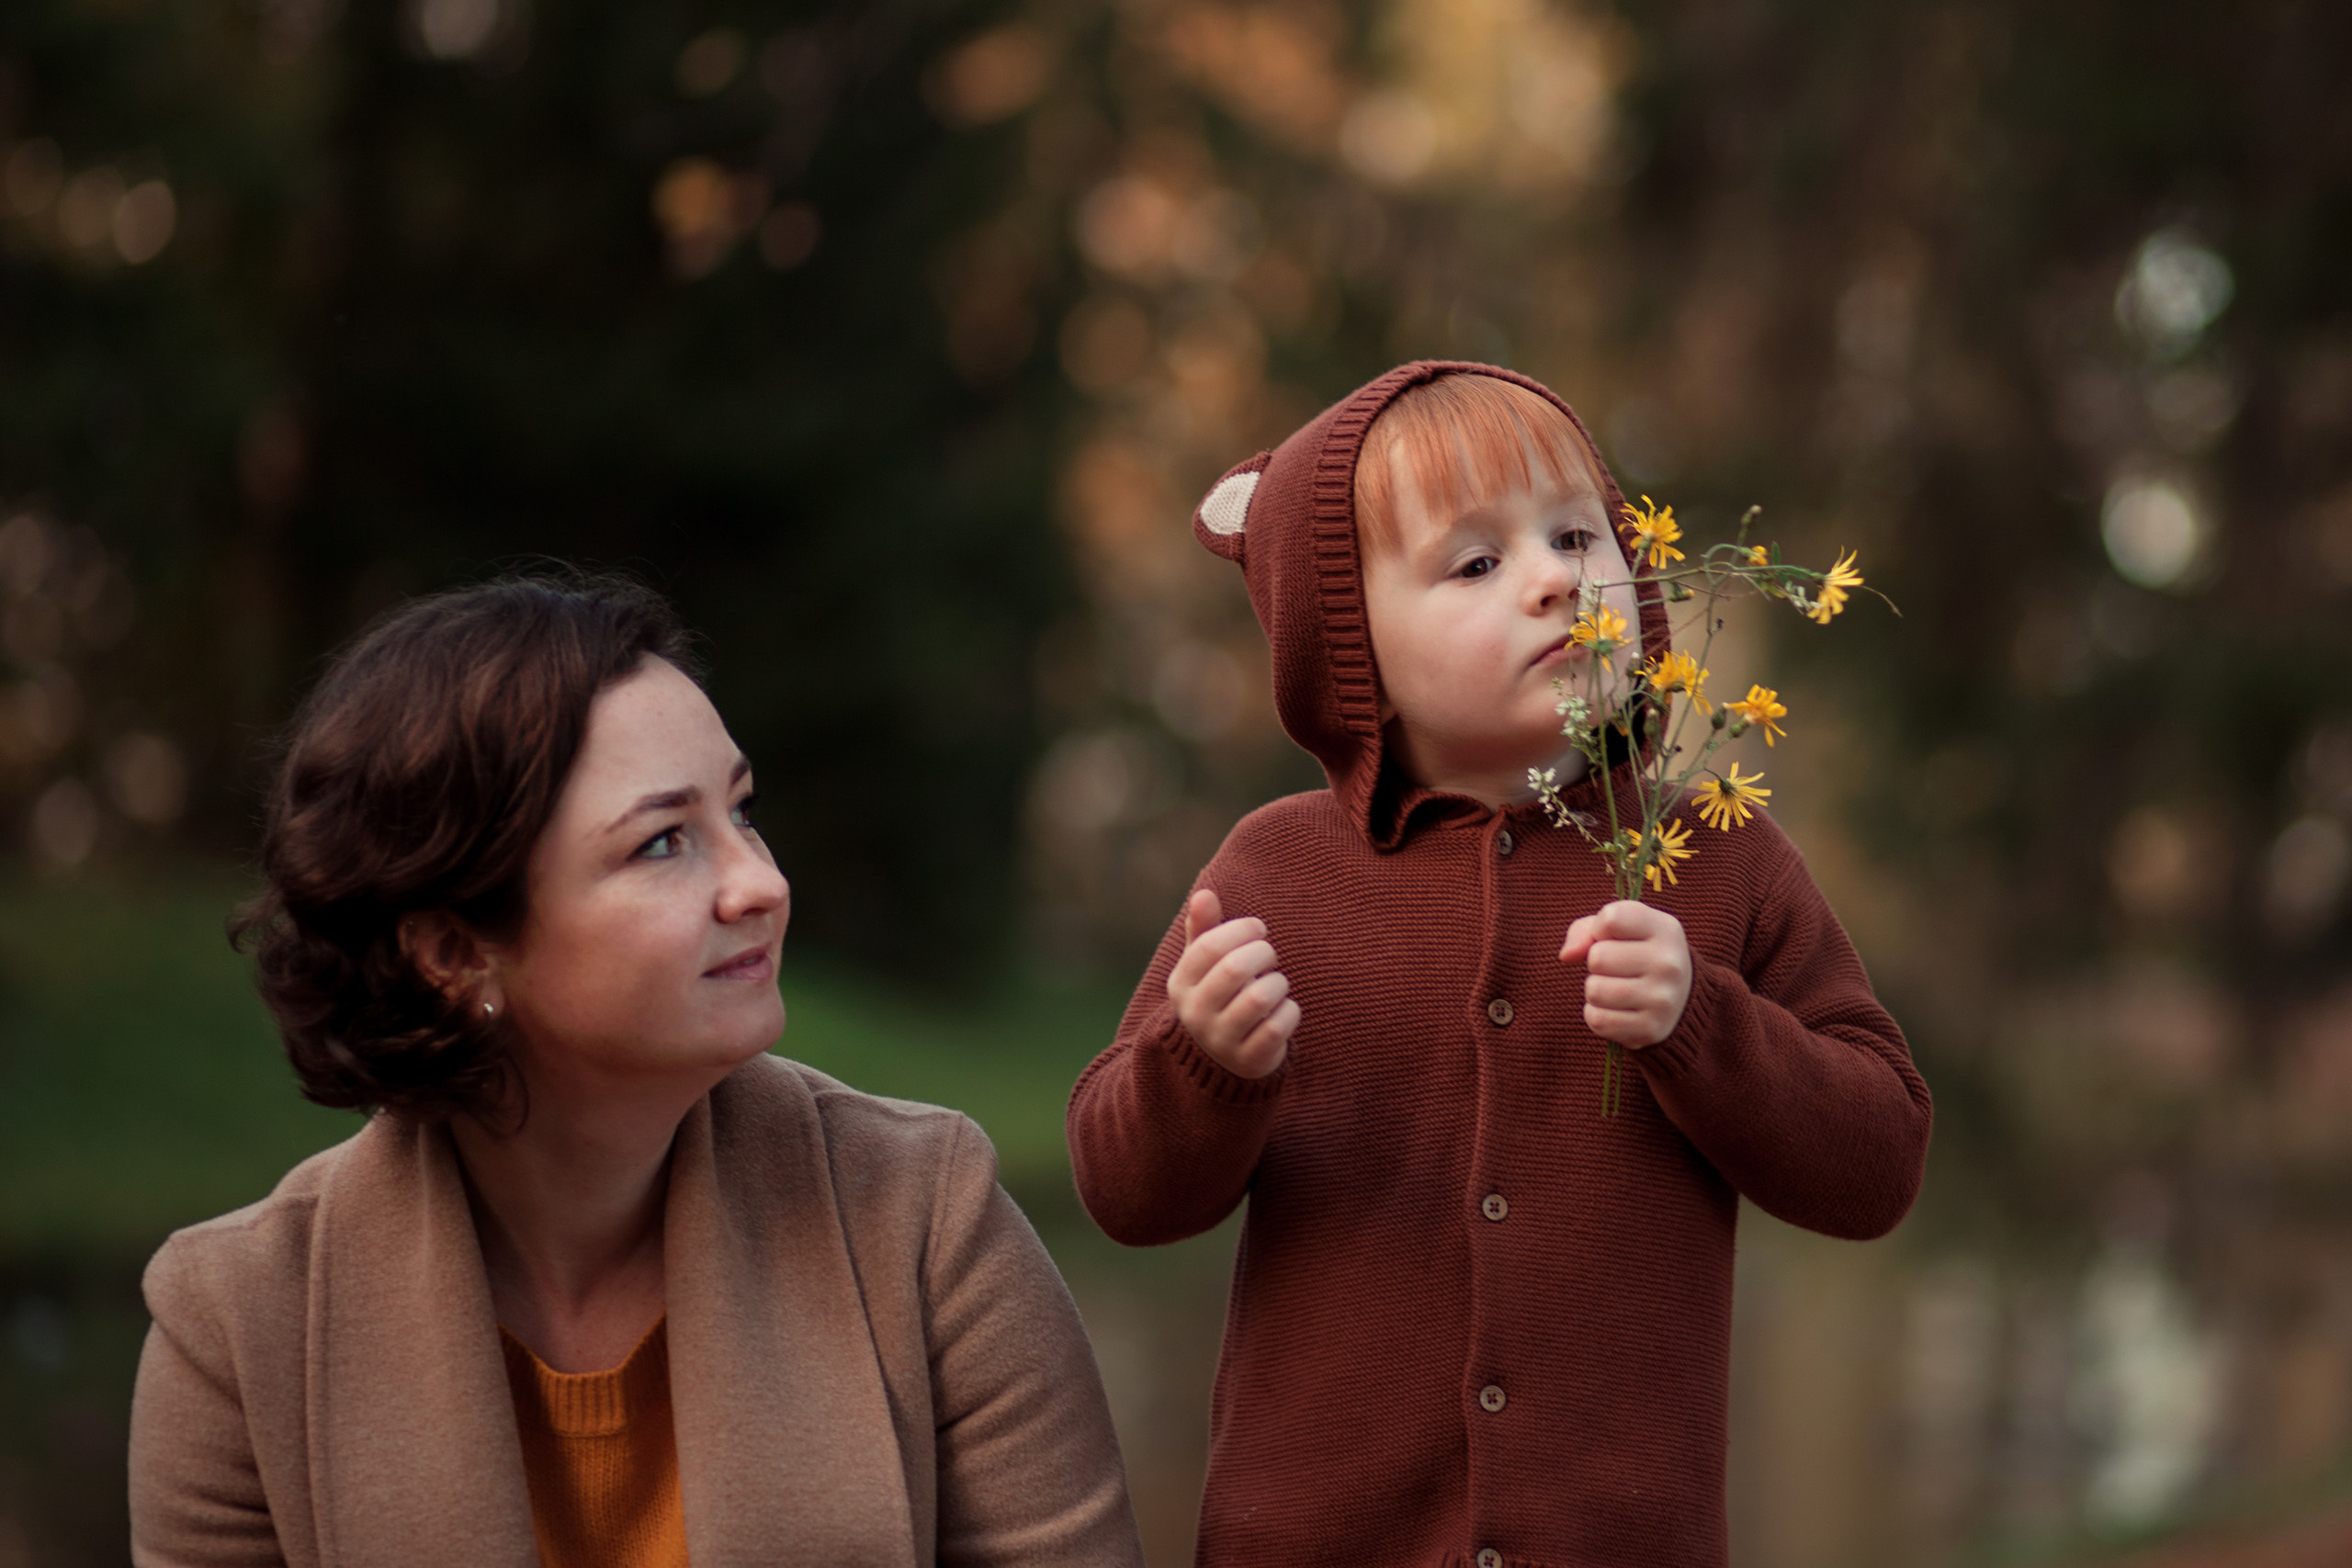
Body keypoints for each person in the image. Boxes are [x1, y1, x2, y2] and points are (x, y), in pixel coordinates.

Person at [1066, 364, 1932, 1568]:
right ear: (1351, 649)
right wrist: (1202, 1064)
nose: (1556, 579)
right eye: (1475, 563)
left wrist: (1703, 1024)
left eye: (1577, 536)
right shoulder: (1275, 871)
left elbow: (1880, 1160)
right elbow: (1120, 1190)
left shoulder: (1716, 854)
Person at [130, 574, 1143, 1568]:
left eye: (743, 811)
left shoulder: (924, 1219)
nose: (761, 883)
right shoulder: (238, 1327)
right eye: (663, 843)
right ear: (452, 951)